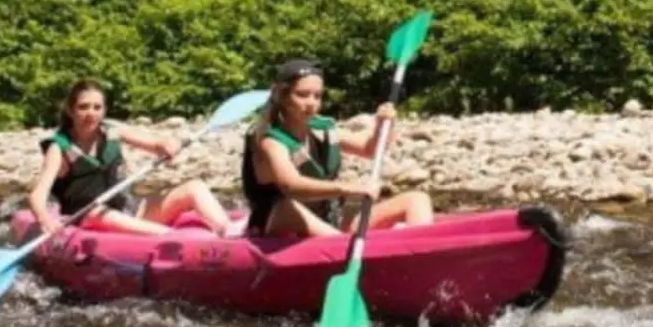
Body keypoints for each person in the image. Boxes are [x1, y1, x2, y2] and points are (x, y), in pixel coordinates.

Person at [240, 58, 434, 238]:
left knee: (417, 199)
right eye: (302, 95)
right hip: (279, 225)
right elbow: (291, 185)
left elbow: (370, 149)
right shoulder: (269, 140)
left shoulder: (321, 129)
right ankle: (341, 245)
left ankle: (419, 253)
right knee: (285, 208)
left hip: (327, 222)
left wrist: (384, 124)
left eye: (317, 96)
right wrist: (348, 188)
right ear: (281, 95)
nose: (311, 103)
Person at [27, 78, 231, 237]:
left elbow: (156, 143)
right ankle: (172, 238)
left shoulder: (112, 131)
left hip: (127, 212)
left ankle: (227, 230)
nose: (91, 113)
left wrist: (168, 145)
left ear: (104, 110)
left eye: (97, 107)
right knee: (99, 214)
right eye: (84, 107)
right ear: (71, 111)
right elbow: (37, 195)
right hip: (86, 218)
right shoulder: (59, 148)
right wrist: (44, 218)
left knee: (194, 187)